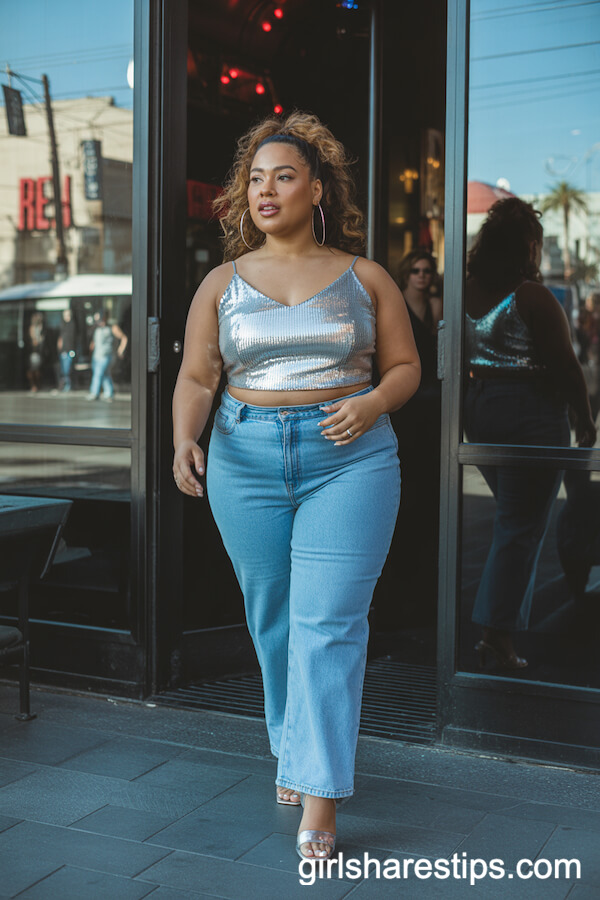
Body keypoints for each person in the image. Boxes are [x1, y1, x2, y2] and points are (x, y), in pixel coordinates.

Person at [172, 111, 420, 861]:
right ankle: (291, 741)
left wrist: (374, 401)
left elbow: (406, 368)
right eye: (255, 178)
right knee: (273, 614)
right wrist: (185, 436)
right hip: (244, 460)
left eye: (284, 175)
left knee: (329, 624)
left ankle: (320, 798)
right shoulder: (221, 283)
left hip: (350, 460)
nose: (266, 189)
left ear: (317, 189)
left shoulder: (364, 275)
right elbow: (197, 375)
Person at [463, 198, 596, 670]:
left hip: (481, 411)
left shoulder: (466, 292)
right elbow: (566, 365)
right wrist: (585, 419)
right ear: (529, 246)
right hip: (531, 413)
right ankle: (496, 635)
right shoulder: (531, 295)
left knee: (512, 518)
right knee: (521, 525)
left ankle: (495, 631)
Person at [376, 251, 442, 630]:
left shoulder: (437, 306)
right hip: (405, 408)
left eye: (427, 270)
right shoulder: (395, 301)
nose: (421, 275)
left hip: (433, 407)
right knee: (406, 491)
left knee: (428, 493)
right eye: (415, 270)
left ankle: (423, 593)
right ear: (407, 273)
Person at [87, 310, 128, 401]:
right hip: (96, 356)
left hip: (105, 355)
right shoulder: (96, 328)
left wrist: (120, 350)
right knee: (105, 374)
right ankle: (109, 393)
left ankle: (94, 393)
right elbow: (94, 342)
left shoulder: (111, 327)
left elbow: (123, 338)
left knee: (98, 374)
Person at [57, 308, 77, 392]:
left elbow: (72, 339)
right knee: (64, 368)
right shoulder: (63, 324)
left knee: (67, 368)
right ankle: (65, 384)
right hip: (63, 350)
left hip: (70, 350)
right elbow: (61, 337)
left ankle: (68, 384)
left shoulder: (72, 325)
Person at [26, 311, 46, 392]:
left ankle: (38, 385)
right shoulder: (32, 328)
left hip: (39, 351)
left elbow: (41, 339)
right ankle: (33, 385)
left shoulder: (41, 328)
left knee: (38, 370)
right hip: (33, 351)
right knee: (33, 370)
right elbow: (34, 340)